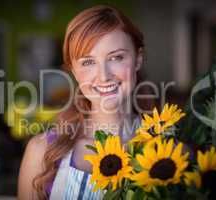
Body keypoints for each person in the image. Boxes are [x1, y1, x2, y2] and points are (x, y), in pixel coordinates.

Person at [18, 4, 146, 200]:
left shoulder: (171, 152)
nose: (104, 76)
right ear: (74, 71)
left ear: (138, 59)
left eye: (116, 57)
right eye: (88, 62)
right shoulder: (42, 152)